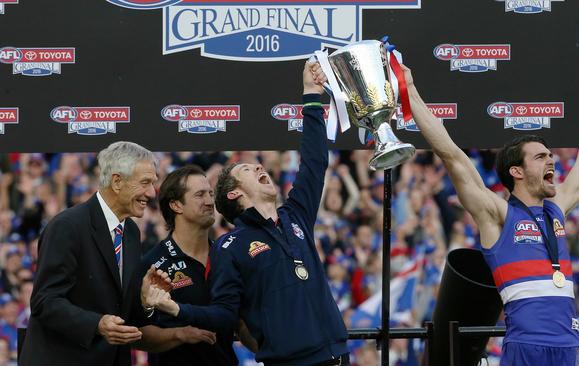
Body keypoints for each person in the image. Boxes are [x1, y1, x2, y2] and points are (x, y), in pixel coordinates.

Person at [402, 63, 579, 365]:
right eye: (540, 157)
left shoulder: (557, 207)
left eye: (550, 155)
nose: (552, 160)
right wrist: (409, 88)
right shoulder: (498, 214)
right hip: (526, 348)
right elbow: (451, 154)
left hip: (570, 348)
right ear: (516, 171)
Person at [145, 61, 350, 365]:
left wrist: (310, 94)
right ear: (234, 193)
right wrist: (176, 310)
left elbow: (315, 162)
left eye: (257, 165)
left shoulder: (296, 216)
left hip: (338, 357)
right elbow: (225, 314)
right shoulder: (231, 247)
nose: (258, 166)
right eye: (247, 169)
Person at [19, 141, 159, 366]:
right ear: (117, 181)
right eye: (145, 183)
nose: (152, 193)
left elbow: (119, 308)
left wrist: (146, 302)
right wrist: (97, 324)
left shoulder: (131, 231)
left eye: (153, 183)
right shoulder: (67, 226)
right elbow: (45, 301)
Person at [140, 165, 257, 365]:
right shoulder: (152, 264)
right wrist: (179, 334)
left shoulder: (228, 257)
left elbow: (239, 323)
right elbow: (139, 333)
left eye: (211, 193)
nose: (210, 201)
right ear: (176, 205)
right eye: (200, 194)